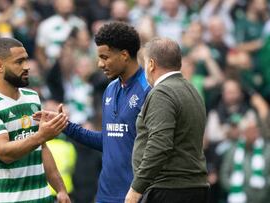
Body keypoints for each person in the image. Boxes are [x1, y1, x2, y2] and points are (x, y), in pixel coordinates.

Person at [35, 21, 151, 202]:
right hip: (105, 195)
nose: (99, 64)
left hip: (136, 196)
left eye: (105, 57)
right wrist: (64, 124)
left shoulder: (149, 90)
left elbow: (157, 149)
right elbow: (109, 140)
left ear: (124, 55)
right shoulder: (111, 89)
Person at [0, 38, 70, 203]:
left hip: (42, 198)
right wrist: (41, 136)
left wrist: (60, 189)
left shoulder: (32, 98)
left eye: (26, 59)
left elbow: (42, 148)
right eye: (19, 62)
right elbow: (5, 153)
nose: (27, 66)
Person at [125, 37, 208, 203]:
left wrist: (136, 189)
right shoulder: (191, 89)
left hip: (168, 190)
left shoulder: (162, 93)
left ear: (151, 64)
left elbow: (159, 144)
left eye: (145, 63)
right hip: (195, 188)